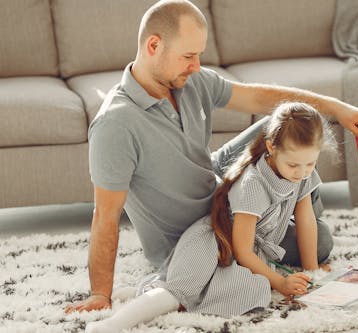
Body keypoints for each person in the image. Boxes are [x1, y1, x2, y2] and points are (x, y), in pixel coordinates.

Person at [65, 0, 358, 314]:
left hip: (214, 180)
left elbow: (256, 97)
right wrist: (100, 294)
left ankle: (292, 206)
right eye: (188, 56)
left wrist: (336, 108)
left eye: (198, 55)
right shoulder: (115, 126)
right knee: (320, 241)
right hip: (200, 228)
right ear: (153, 46)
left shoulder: (188, 80)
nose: (196, 66)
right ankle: (288, 211)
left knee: (283, 123)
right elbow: (105, 216)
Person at [85, 102, 335, 332]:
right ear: (271, 147)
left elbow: (306, 220)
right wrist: (281, 282)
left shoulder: (302, 174)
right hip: (213, 243)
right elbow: (244, 251)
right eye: (294, 165)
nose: (302, 172)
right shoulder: (253, 185)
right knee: (177, 293)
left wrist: (312, 270)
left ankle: (137, 293)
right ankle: (110, 325)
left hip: (238, 254)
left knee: (245, 290)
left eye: (310, 164)